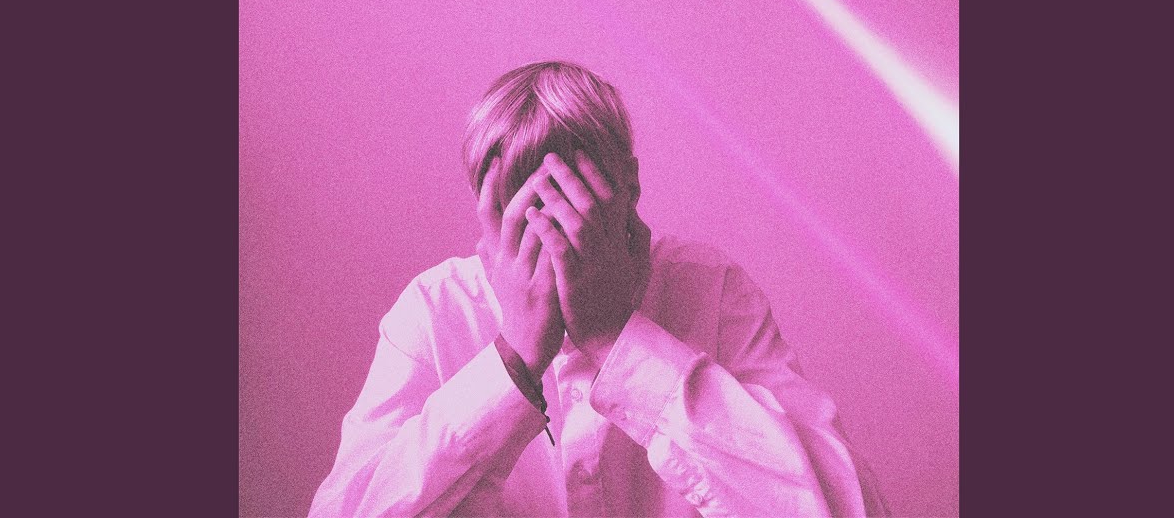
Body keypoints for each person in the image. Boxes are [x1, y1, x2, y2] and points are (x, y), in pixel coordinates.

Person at [309, 61, 888, 517]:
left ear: (629, 186)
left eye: (579, 201)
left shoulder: (709, 289)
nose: (557, 236)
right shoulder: (436, 311)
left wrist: (618, 340)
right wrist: (512, 362)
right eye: (525, 213)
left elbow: (845, 507)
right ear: (486, 210)